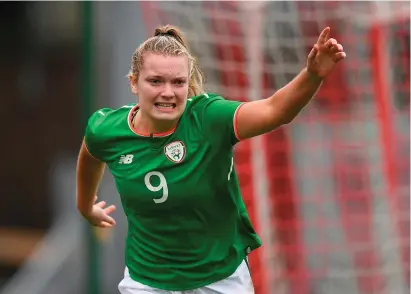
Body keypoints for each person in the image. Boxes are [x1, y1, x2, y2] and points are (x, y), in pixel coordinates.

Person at [76, 24, 346, 294]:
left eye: (178, 82)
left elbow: (274, 110)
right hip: (147, 280)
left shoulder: (209, 119)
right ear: (134, 82)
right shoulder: (107, 129)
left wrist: (312, 75)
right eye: (155, 81)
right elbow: (90, 154)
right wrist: (86, 205)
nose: (168, 92)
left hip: (219, 277)